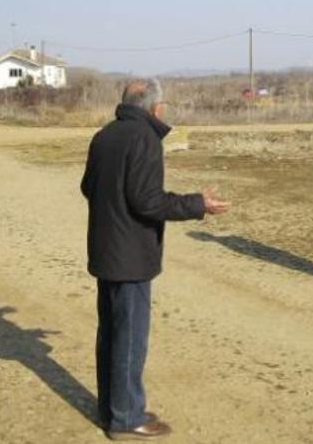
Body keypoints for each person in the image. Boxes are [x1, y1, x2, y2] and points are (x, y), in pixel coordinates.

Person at [81, 78, 230, 440]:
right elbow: (148, 201)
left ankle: (111, 409)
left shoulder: (105, 135)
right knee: (129, 338)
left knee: (111, 335)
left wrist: (112, 205)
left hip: (106, 252)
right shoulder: (144, 138)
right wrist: (198, 204)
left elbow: (89, 187)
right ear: (155, 107)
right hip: (130, 256)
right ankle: (127, 418)